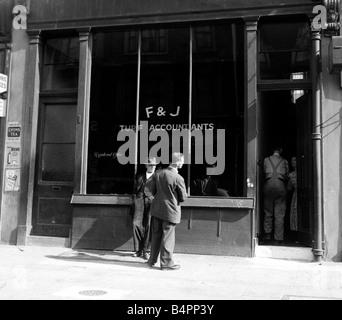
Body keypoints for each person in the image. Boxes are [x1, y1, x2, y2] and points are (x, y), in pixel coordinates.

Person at [146, 152, 188, 271]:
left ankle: (152, 260)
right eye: (183, 161)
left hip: (157, 209)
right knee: (168, 238)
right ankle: (166, 264)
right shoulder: (179, 178)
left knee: (156, 236)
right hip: (170, 211)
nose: (184, 163)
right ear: (178, 162)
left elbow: (149, 190)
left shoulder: (158, 173)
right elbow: (183, 197)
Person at [131, 157, 157, 260]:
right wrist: (135, 199)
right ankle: (138, 249)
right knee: (135, 223)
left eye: (154, 165)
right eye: (150, 165)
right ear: (146, 166)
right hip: (139, 201)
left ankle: (146, 250)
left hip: (152, 201)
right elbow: (134, 190)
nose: (152, 167)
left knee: (149, 225)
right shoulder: (140, 177)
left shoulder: (157, 177)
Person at [263, 146, 289, 244]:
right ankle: (278, 239)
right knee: (280, 213)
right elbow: (286, 175)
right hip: (280, 186)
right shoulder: (285, 161)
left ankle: (267, 235)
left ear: (272, 150)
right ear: (281, 150)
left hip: (268, 185)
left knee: (267, 211)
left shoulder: (266, 159)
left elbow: (264, 172)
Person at [287, 157, 298, 235]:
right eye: (292, 160)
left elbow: (289, 188)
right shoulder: (291, 174)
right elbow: (289, 188)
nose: (292, 162)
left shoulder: (291, 175)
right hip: (296, 194)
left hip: (297, 194)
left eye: (294, 160)